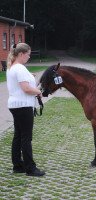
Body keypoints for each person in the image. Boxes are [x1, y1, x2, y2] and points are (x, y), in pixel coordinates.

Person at [6, 43, 45, 176]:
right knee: (26, 138)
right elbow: (27, 89)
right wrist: (38, 91)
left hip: (16, 105)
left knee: (18, 136)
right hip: (23, 106)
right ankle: (30, 168)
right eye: (28, 54)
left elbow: (21, 82)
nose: (29, 57)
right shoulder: (20, 69)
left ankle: (17, 165)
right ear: (21, 54)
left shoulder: (13, 67)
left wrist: (30, 76)